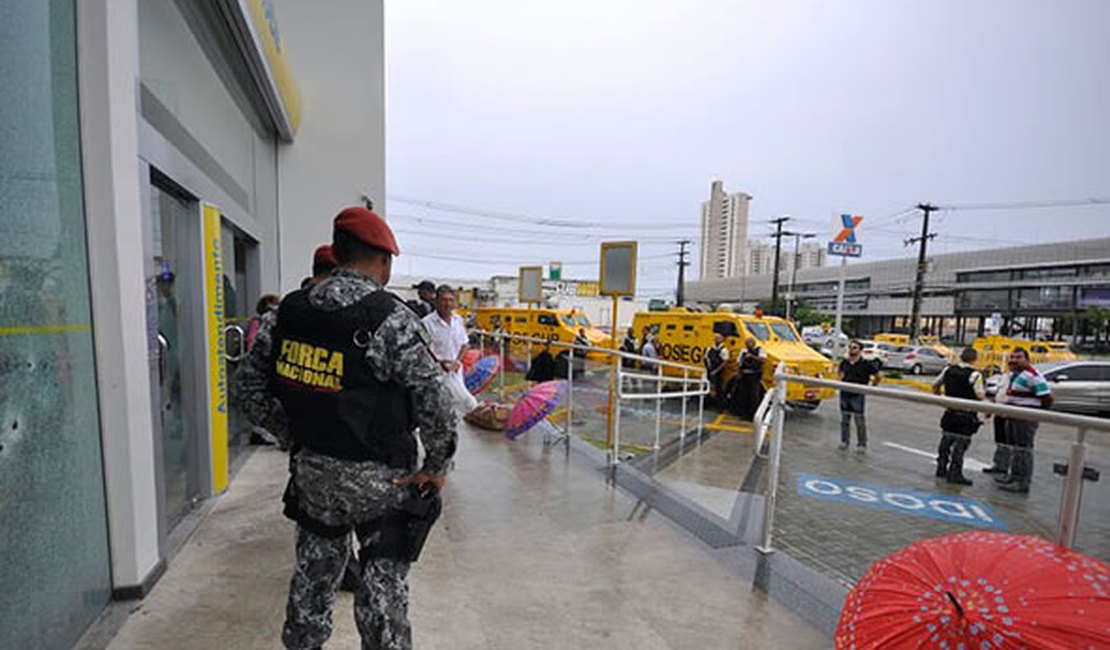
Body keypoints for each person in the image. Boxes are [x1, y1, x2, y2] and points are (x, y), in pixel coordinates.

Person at [237, 206, 456, 649]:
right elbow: (437, 402)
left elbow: (248, 387)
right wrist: (437, 465)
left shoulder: (287, 313)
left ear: (337, 253)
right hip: (381, 480)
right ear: (384, 261)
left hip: (313, 475)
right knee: (382, 589)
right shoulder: (390, 319)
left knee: (314, 577)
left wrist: (291, 433)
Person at [994, 347, 1053, 494]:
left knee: (1024, 449)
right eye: (1012, 357)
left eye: (1018, 357)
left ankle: (1022, 482)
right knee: (1016, 448)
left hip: (1025, 418)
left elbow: (1047, 397)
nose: (1013, 360)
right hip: (1013, 417)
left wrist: (1034, 413)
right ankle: (1013, 477)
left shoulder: (1032, 376)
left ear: (1027, 360)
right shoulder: (1016, 375)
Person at [932, 348, 985, 486]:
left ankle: (941, 468)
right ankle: (955, 473)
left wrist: (941, 399)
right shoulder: (975, 375)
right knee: (961, 444)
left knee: (946, 440)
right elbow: (979, 396)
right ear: (975, 359)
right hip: (966, 415)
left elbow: (935, 385)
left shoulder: (948, 370)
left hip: (950, 411)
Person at [837, 340, 881, 451]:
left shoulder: (865, 364)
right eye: (850, 347)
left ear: (860, 350)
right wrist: (840, 381)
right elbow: (840, 373)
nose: (851, 350)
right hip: (845, 393)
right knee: (845, 419)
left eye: (855, 347)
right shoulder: (845, 363)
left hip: (857, 394)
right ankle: (844, 441)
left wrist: (871, 386)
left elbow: (878, 375)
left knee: (859, 419)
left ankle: (861, 444)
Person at [422, 285, 469, 377]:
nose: (447, 304)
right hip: (435, 374)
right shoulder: (426, 323)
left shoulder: (458, 320)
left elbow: (465, 345)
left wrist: (458, 362)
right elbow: (424, 350)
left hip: (456, 373)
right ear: (436, 302)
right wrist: (439, 363)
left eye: (451, 300)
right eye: (444, 300)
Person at [731, 337, 764, 419]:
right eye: (746, 343)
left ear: (753, 343)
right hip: (744, 374)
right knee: (743, 395)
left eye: (748, 343)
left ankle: (752, 414)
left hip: (754, 375)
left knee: (753, 395)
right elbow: (739, 362)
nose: (747, 345)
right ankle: (743, 414)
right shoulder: (744, 351)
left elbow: (763, 360)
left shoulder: (759, 350)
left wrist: (752, 357)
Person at [704, 332, 730, 408]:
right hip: (710, 370)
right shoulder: (710, 349)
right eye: (716, 338)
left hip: (719, 372)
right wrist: (708, 369)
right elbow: (706, 358)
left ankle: (720, 407)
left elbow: (725, 362)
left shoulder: (724, 350)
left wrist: (716, 371)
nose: (717, 340)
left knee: (719, 390)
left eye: (719, 338)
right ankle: (708, 404)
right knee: (708, 388)